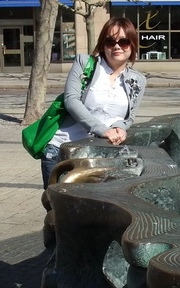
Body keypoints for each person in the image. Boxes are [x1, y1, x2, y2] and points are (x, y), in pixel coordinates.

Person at [41, 17, 147, 187]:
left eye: (124, 41)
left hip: (99, 155)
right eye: (110, 41)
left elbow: (129, 117)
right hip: (62, 152)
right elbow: (71, 100)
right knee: (60, 211)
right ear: (102, 45)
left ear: (132, 45)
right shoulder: (84, 64)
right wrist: (102, 129)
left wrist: (120, 127)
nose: (117, 46)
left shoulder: (137, 80)